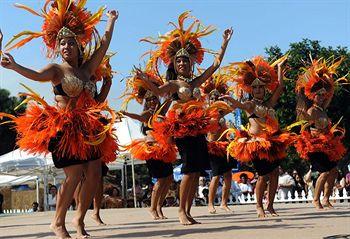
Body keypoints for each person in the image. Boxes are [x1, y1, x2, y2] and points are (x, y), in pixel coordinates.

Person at [1, 2, 118, 238]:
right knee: (74, 175)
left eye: (71, 42)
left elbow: (103, 45)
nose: (66, 46)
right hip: (66, 129)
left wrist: (111, 21)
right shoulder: (57, 70)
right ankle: (58, 222)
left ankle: (80, 219)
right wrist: (14, 66)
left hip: (90, 129)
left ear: (78, 46)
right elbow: (36, 75)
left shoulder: (87, 70)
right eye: (62, 43)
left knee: (94, 175)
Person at [137, 11, 232, 225]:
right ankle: (181, 211)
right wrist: (145, 80)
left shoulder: (194, 83)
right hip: (182, 129)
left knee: (197, 170)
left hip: (198, 129)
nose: (182, 63)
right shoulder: (174, 85)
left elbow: (214, 65)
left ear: (191, 63)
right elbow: (160, 90)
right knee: (189, 169)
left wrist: (224, 43)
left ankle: (188, 211)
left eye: (185, 60)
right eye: (178, 60)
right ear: (174, 64)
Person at [221, 55, 289, 217]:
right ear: (251, 89)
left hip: (272, 143)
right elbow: (240, 105)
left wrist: (279, 68)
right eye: (255, 87)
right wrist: (231, 100)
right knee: (263, 176)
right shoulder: (251, 104)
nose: (258, 90)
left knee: (274, 175)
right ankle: (259, 206)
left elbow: (280, 87)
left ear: (265, 89)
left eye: (261, 87)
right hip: (256, 145)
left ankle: (270, 206)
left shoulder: (268, 103)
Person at [121, 70, 176, 219]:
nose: (152, 102)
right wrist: (126, 114)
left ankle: (159, 206)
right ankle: (152, 208)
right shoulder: (147, 115)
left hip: (164, 149)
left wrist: (171, 86)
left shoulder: (161, 112)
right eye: (149, 100)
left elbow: (170, 99)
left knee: (169, 178)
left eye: (154, 99)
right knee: (160, 179)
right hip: (152, 149)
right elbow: (138, 117)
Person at [295, 57, 347, 209]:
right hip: (316, 147)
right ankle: (316, 199)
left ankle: (325, 198)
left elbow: (330, 94)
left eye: (323, 94)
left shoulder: (322, 108)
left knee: (333, 171)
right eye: (319, 94)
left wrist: (328, 78)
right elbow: (304, 125)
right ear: (313, 95)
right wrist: (308, 140)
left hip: (328, 144)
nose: (322, 97)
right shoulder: (312, 111)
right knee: (324, 172)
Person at [203, 73, 236, 214]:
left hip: (226, 147)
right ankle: (210, 203)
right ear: (209, 100)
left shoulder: (224, 111)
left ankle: (224, 203)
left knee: (228, 175)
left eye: (217, 97)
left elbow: (235, 105)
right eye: (212, 98)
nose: (215, 99)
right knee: (216, 176)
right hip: (213, 147)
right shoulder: (206, 112)